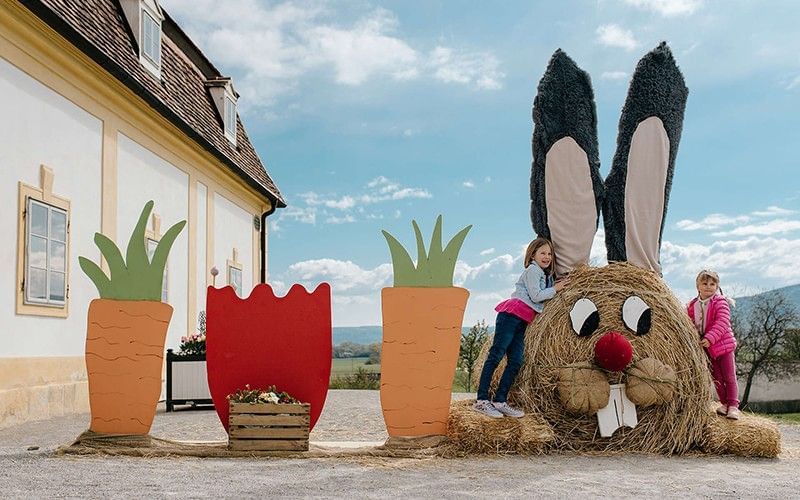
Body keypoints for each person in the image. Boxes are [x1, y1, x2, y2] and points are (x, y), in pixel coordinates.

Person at [473, 237, 568, 418]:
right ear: (533, 254)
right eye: (542, 253)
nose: (547, 257)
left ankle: (500, 400)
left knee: (516, 361)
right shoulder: (533, 270)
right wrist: (557, 288)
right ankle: (482, 400)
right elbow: (536, 295)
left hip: (521, 320)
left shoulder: (542, 274)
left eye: (549, 254)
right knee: (496, 355)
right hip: (511, 315)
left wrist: (554, 285)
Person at [687, 270, 740, 420]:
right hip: (708, 349)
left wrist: (710, 338)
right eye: (705, 283)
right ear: (698, 286)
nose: (708, 287)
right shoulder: (692, 305)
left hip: (723, 346)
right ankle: (724, 403)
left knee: (729, 377)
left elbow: (722, 323)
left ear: (717, 286)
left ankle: (733, 406)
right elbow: (691, 324)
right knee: (716, 378)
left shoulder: (720, 302)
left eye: (712, 284)